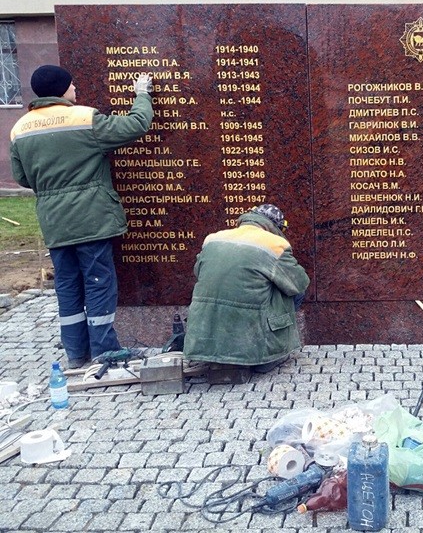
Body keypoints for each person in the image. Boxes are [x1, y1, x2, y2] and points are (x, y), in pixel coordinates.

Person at [9, 65, 155, 369]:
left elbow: (22, 178)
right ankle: (104, 350)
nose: (75, 88)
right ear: (62, 89)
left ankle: (76, 353)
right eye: (72, 84)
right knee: (99, 281)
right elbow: (137, 125)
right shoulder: (84, 118)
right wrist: (142, 94)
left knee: (67, 285)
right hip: (91, 219)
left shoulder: (20, 129)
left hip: (54, 222)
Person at [184, 204, 310, 373]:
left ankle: (213, 352)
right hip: (252, 340)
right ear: (276, 227)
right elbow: (299, 283)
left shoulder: (213, 238)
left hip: (203, 334)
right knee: (294, 292)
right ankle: (269, 351)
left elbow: (198, 271)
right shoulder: (274, 244)